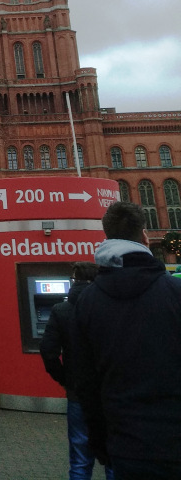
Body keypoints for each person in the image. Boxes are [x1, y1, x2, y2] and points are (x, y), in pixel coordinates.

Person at [74, 201, 181, 480]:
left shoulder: (87, 301)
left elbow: (85, 382)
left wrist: (100, 442)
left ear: (105, 237)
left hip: (124, 445)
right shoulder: (174, 291)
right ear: (145, 237)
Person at [40, 262, 115, 480]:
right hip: (110, 390)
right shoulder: (109, 306)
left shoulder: (60, 310)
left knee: (80, 459)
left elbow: (48, 351)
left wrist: (64, 378)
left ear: (73, 280)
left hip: (78, 392)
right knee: (113, 457)